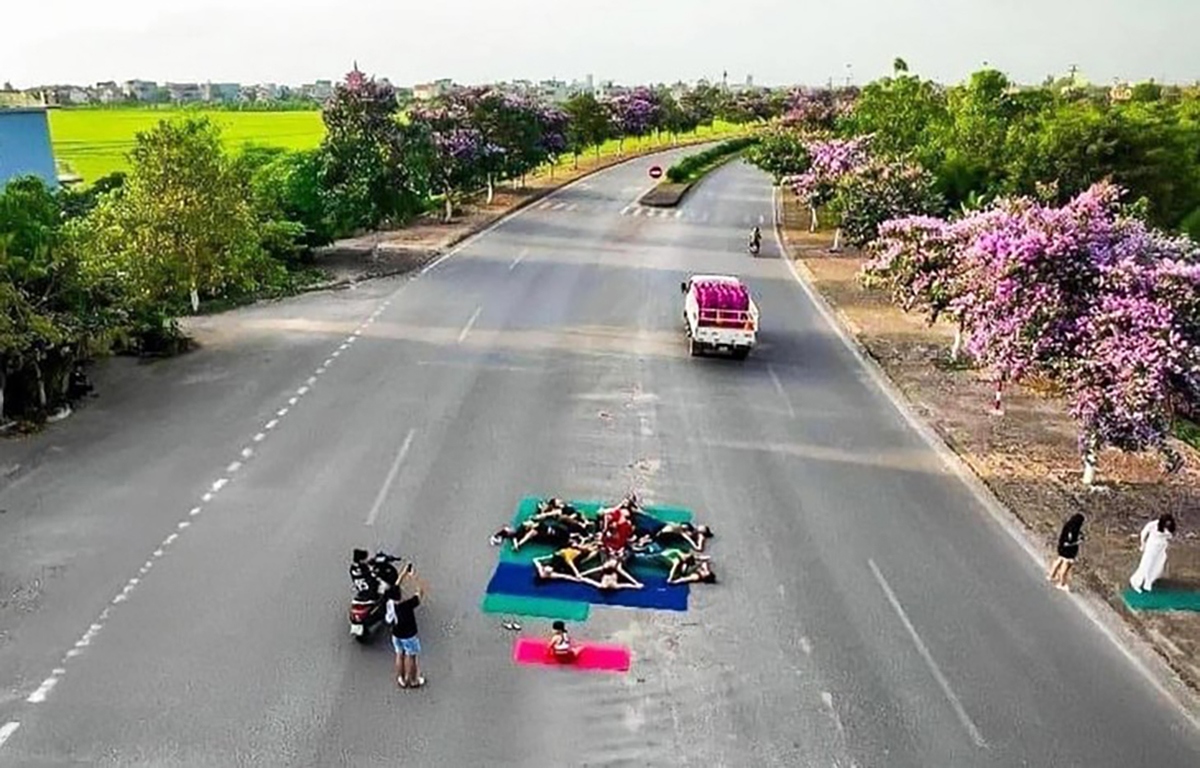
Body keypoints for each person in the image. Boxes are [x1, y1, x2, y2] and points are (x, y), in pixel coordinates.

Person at [387, 563, 426, 689]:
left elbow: (396, 585)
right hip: (409, 635)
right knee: (411, 657)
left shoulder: (390, 602)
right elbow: (420, 591)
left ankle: (401, 678)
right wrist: (414, 576)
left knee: (399, 654)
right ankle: (413, 680)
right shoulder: (407, 605)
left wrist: (403, 573)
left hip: (396, 633)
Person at [1130, 514, 1176, 593]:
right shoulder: (1153, 525)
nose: (1167, 525)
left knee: (1157, 565)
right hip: (1151, 548)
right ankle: (1136, 582)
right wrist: (1142, 544)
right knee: (1146, 564)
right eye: (1166, 523)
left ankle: (1148, 582)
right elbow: (1144, 533)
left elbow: (1169, 537)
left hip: (1161, 549)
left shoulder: (1169, 528)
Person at [1048, 513, 1085, 592]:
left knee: (1059, 560)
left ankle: (1051, 575)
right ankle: (1061, 583)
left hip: (1061, 546)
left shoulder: (1068, 524)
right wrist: (1078, 542)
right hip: (1068, 550)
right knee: (1065, 565)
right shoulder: (1073, 528)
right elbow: (1069, 541)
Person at [533, 540, 600, 582]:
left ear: (544, 568)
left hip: (565, 556)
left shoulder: (541, 568)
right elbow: (564, 576)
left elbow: (535, 560)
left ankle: (592, 544)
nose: (549, 570)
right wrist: (575, 578)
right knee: (591, 553)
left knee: (586, 549)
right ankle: (594, 548)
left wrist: (547, 556)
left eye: (546, 571)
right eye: (548, 573)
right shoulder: (552, 575)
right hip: (568, 561)